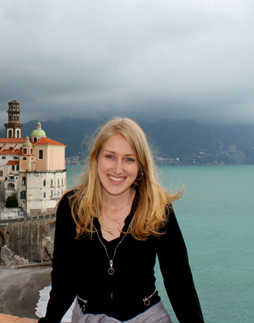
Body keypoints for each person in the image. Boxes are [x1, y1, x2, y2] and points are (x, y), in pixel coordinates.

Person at [38, 118, 203, 323]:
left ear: (141, 165)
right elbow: (64, 278)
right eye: (110, 156)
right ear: (96, 158)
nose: (117, 169)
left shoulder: (157, 210)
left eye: (129, 159)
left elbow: (179, 281)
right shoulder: (72, 207)